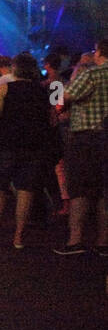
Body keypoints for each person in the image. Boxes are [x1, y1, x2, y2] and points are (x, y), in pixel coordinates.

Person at [0, 53, 57, 250]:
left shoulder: (4, 89)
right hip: (34, 145)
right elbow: (52, 120)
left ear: (15, 69)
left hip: (7, 143)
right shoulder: (44, 92)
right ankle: (19, 236)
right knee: (26, 190)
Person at [55, 37, 108, 256]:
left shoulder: (91, 74)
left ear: (99, 53)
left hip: (87, 138)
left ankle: (75, 241)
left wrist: (59, 85)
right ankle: (104, 242)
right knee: (105, 189)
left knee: (80, 189)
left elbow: (59, 103)